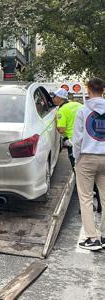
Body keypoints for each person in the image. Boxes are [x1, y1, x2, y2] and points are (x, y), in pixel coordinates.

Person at [73, 78, 105, 251]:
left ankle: (92, 238)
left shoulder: (83, 111)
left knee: (86, 198)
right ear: (103, 90)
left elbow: (77, 139)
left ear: (88, 90)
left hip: (87, 156)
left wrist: (76, 158)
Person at [52, 88, 83, 168]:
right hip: (85, 139)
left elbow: (61, 130)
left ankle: (79, 179)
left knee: (76, 165)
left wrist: (55, 122)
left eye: (54, 96)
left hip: (72, 141)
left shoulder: (62, 110)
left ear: (60, 98)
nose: (53, 98)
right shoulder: (77, 104)